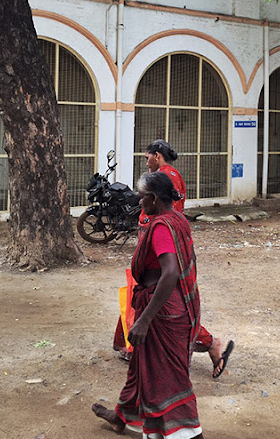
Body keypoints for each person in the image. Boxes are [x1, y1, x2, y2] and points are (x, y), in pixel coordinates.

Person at [93, 171, 204, 438]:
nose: (139, 202)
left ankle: (189, 432)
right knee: (141, 367)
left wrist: (143, 320)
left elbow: (170, 273)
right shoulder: (177, 218)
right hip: (169, 305)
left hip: (162, 312)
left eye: (142, 198)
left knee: (165, 377)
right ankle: (123, 417)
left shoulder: (162, 228)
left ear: (154, 199)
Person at [115, 139, 234, 379]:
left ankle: (210, 345)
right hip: (155, 260)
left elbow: (170, 265)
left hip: (161, 259)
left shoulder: (165, 211)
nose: (141, 201)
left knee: (170, 317)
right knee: (140, 304)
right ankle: (134, 351)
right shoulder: (163, 180)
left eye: (147, 157)